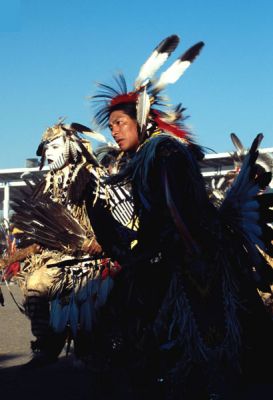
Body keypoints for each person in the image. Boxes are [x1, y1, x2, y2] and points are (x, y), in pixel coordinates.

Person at [88, 35, 273, 399]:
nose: (114, 130)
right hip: (180, 247)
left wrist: (165, 252)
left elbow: (178, 212)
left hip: (195, 252)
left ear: (140, 118)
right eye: (111, 125)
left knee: (184, 328)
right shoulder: (149, 154)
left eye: (121, 122)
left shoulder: (163, 152)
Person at [11, 120, 129, 369]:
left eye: (55, 146)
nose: (49, 153)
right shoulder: (46, 185)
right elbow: (39, 228)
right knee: (34, 284)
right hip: (58, 257)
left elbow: (112, 214)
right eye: (46, 149)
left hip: (95, 256)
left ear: (71, 146)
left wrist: (100, 240)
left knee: (103, 314)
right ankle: (46, 344)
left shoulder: (90, 175)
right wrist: (22, 252)